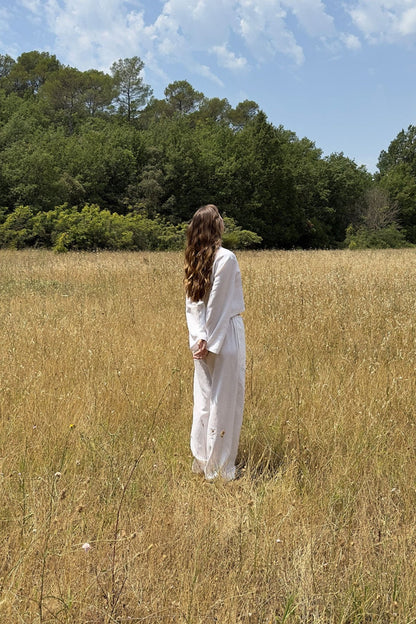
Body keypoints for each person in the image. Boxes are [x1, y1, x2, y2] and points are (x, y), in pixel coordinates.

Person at [184, 204, 246, 481]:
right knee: (225, 400)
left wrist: (199, 339)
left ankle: (202, 459)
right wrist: (211, 340)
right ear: (214, 225)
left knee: (204, 400)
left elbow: (194, 307)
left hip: (204, 340)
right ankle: (220, 469)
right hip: (224, 335)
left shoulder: (195, 259)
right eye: (219, 216)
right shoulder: (226, 258)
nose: (223, 220)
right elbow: (219, 304)